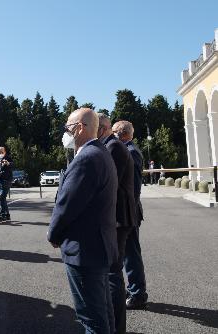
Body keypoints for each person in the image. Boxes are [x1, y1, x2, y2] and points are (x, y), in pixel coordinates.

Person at [48, 108, 118, 334]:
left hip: (85, 251)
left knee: (92, 319)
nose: (65, 132)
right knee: (103, 314)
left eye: (68, 127)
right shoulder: (100, 152)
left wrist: (53, 234)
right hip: (98, 246)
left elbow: (67, 205)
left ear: (79, 128)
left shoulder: (86, 158)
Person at [97, 114, 136, 334]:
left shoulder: (113, 147)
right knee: (112, 273)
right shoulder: (113, 146)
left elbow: (105, 184)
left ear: (101, 128)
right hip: (119, 216)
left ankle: (116, 328)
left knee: (112, 274)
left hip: (118, 218)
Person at [112, 120, 148, 310]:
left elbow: (133, 188)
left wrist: (128, 212)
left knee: (131, 255)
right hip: (129, 211)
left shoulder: (131, 151)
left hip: (130, 212)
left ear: (121, 133)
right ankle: (134, 290)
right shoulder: (128, 149)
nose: (112, 135)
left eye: (114, 132)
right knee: (127, 254)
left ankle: (138, 294)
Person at [0, 147, 13, 222]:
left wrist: (8, 163)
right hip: (0, 181)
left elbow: (12, 165)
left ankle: (2, 215)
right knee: (2, 198)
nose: (0, 153)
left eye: (2, 152)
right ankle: (7, 215)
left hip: (7, 180)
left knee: (2, 197)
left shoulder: (8, 158)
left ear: (5, 152)